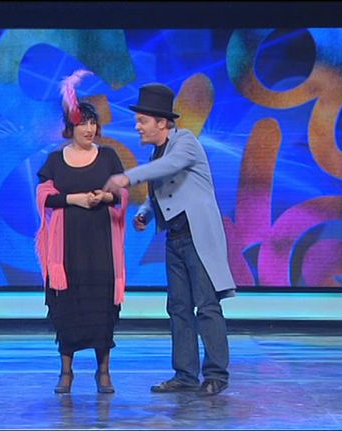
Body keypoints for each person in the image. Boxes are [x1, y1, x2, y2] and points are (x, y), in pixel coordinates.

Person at [103, 83, 236, 396]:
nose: (137, 127)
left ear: (162, 122)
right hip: (175, 239)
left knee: (206, 306)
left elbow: (168, 167)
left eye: (142, 121)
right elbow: (162, 190)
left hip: (197, 237)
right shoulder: (157, 151)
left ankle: (216, 374)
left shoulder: (185, 142)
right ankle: (185, 375)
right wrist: (145, 214)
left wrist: (127, 177)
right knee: (178, 307)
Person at [35, 70, 129, 394]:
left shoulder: (108, 157)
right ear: (70, 127)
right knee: (67, 307)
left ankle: (103, 371)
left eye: (93, 123)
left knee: (101, 306)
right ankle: (66, 372)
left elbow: (122, 192)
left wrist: (105, 197)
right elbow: (44, 197)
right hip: (68, 247)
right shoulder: (55, 160)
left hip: (100, 244)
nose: (89, 129)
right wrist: (74, 199)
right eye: (82, 124)